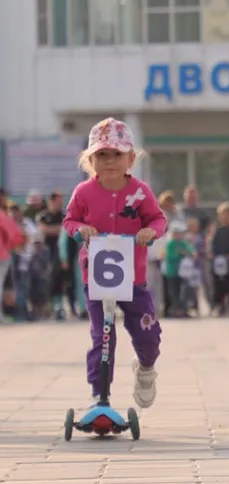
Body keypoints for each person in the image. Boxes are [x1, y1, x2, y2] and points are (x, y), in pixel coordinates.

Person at [62, 117, 167, 408]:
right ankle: (100, 395)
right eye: (102, 154)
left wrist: (151, 231)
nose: (110, 161)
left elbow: (158, 219)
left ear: (131, 158)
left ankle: (146, 368)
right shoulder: (83, 192)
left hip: (133, 278)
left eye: (117, 154)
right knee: (103, 337)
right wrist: (80, 230)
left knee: (147, 333)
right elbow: (70, 220)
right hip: (96, 278)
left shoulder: (140, 192)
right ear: (90, 160)